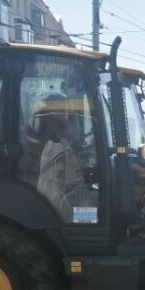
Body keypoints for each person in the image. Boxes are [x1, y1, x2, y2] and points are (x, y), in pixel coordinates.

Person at [35, 94, 95, 222]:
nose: (66, 114)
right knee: (95, 214)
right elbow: (67, 167)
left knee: (95, 204)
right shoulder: (52, 140)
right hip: (58, 204)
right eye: (62, 109)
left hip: (65, 192)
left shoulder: (60, 136)